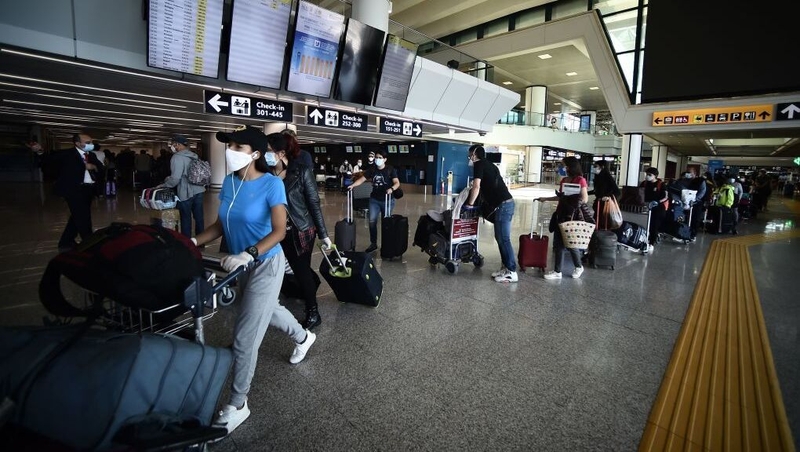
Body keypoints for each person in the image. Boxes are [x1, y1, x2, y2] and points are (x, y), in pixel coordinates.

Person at [190, 125, 317, 436]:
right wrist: (192, 241)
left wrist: (250, 253)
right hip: (240, 265)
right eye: (229, 145)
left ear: (256, 154)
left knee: (245, 337)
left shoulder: (272, 184)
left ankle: (238, 404)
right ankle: (303, 337)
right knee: (266, 310)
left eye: (238, 146)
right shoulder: (230, 182)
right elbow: (220, 225)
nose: (230, 151)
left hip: (265, 264)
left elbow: (279, 231)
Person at [265, 132, 332, 330]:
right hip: (274, 230)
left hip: (300, 230)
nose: (264, 155)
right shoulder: (266, 173)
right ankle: (307, 284)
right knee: (284, 267)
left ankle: (313, 312)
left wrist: (324, 234)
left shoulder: (301, 171)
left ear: (281, 153)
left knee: (301, 270)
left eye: (268, 151)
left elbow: (314, 203)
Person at [35, 133, 105, 252]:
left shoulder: (91, 155)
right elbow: (48, 160)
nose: (91, 145)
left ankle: (66, 242)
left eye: (91, 142)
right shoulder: (67, 154)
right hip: (74, 190)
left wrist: (94, 167)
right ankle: (89, 244)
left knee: (77, 216)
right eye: (87, 143)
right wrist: (40, 151)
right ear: (77, 143)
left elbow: (101, 168)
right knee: (83, 218)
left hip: (88, 189)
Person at [465, 145, 517, 283]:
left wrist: (469, 204)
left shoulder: (479, 164)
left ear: (474, 154)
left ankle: (511, 271)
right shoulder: (490, 164)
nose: (469, 157)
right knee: (500, 238)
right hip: (505, 204)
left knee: (503, 239)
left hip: (503, 205)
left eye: (469, 155)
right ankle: (506, 268)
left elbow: (476, 186)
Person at [536, 156, 592, 279]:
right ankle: (557, 271)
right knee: (558, 244)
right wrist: (546, 199)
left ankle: (578, 266)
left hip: (572, 215)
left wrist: (573, 200)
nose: (561, 167)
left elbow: (585, 198)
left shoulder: (580, 180)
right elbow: (560, 197)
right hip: (560, 213)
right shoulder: (564, 180)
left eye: (563, 165)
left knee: (571, 242)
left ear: (570, 166)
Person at [349, 150, 400, 254]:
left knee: (386, 223)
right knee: (372, 222)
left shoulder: (390, 169)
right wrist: (353, 185)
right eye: (376, 157)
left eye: (380, 158)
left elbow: (396, 182)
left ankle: (386, 244)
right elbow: (362, 179)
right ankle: (373, 243)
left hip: (387, 200)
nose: (377, 159)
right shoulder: (372, 169)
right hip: (374, 200)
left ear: (385, 159)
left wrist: (392, 189)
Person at [160, 135, 205, 238]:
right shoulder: (194, 155)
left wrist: (164, 184)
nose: (172, 147)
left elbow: (175, 179)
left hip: (186, 192)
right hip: (199, 189)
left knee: (185, 218)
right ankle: (201, 240)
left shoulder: (177, 157)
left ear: (178, 144)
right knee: (199, 218)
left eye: (173, 144)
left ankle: (186, 241)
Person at [640, 167, 668, 252]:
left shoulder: (661, 184)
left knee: (653, 225)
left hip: (658, 208)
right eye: (646, 174)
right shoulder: (644, 183)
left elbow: (665, 197)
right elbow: (639, 193)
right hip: (646, 206)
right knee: (644, 224)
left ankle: (651, 243)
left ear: (655, 176)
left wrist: (657, 202)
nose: (647, 176)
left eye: (650, 175)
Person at [588, 160, 620, 225]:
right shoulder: (597, 177)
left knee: (603, 220)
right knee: (597, 220)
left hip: (606, 203)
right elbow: (597, 190)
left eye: (596, 166)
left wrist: (608, 196)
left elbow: (617, 191)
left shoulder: (607, 177)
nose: (594, 168)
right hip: (598, 202)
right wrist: (586, 193)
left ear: (602, 167)